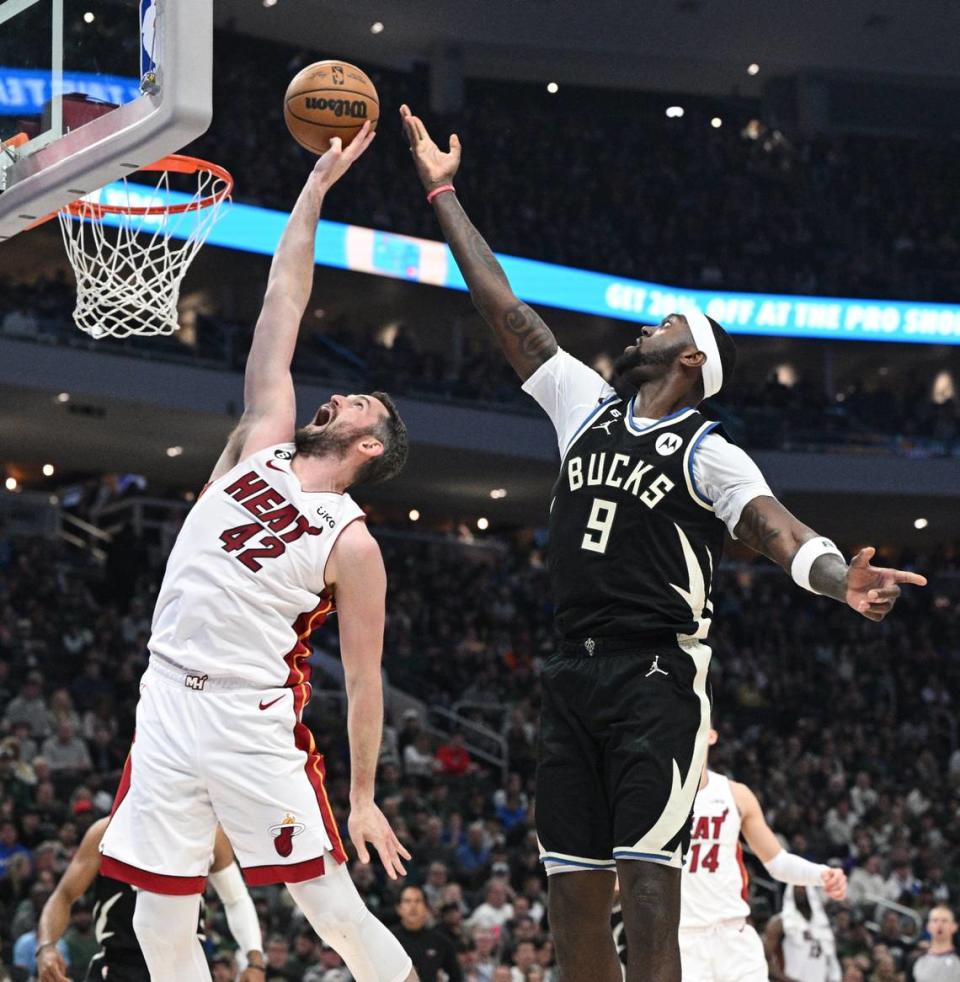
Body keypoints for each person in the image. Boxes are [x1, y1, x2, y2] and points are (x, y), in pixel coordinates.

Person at [400, 104, 926, 982]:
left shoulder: (708, 449)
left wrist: (838, 581)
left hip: (657, 676)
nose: (649, 328)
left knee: (649, 890)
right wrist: (443, 191)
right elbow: (506, 311)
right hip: (572, 669)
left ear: (691, 363)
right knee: (571, 900)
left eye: (669, 326)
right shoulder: (583, 408)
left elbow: (774, 529)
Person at [97, 124, 416, 982]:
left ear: (371, 447)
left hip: (250, 720)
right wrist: (314, 188)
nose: (340, 394)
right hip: (166, 699)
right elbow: (285, 300)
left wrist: (361, 797)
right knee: (158, 925)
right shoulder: (262, 438)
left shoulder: (352, 541)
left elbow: (368, 677)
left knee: (334, 917)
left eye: (362, 404)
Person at [611, 725, 848, 980]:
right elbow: (623, 875)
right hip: (680, 941)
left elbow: (777, 862)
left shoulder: (735, 794)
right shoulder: (647, 800)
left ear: (711, 735)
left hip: (734, 936)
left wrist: (821, 874)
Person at [35, 817, 263, 981]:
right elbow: (63, 896)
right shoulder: (107, 832)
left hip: (184, 965)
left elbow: (236, 899)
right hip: (120, 966)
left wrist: (255, 960)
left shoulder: (210, 834)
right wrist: (46, 947)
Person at [765, 886, 841, 982]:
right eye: (796, 887)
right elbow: (763, 962)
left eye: (803, 887)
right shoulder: (779, 923)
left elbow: (830, 962)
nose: (800, 891)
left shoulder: (824, 925)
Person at [392, 885, 463, 982]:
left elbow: (457, 977)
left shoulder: (441, 942)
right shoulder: (388, 940)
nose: (413, 906)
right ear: (399, 908)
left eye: (418, 901)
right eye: (407, 901)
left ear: (426, 908)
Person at [912, 907, 960, 982]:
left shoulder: (957, 958)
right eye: (935, 920)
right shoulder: (915, 959)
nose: (939, 925)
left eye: (944, 921)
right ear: (928, 926)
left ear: (954, 926)